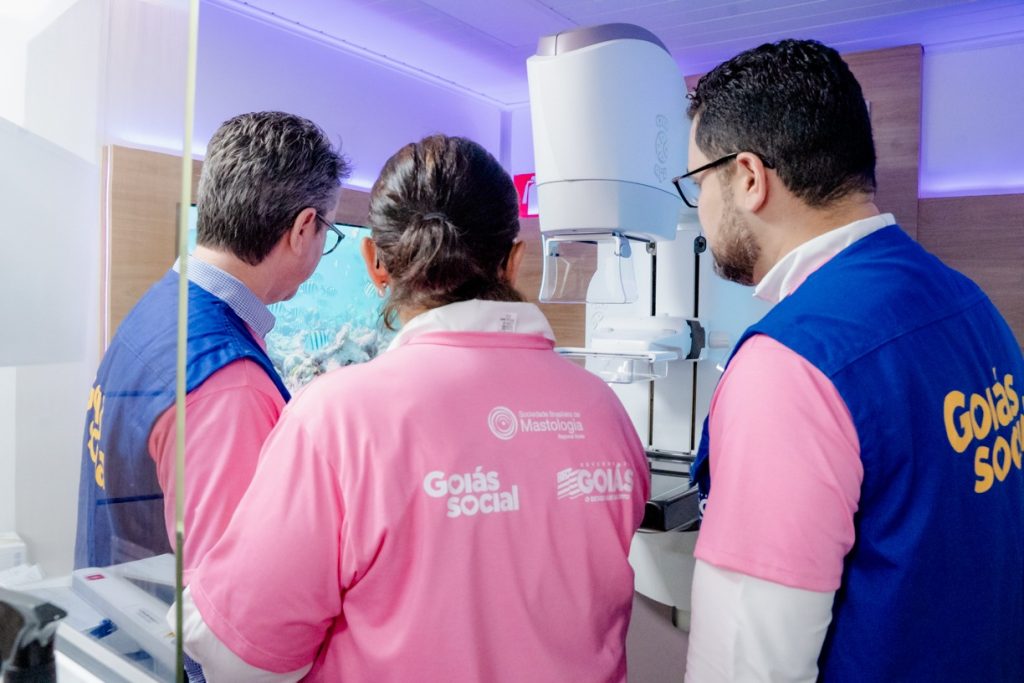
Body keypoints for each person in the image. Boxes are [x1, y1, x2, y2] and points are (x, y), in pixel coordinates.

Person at [178, 134, 650, 682]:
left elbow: (242, 657)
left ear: (375, 263)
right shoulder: (604, 409)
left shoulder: (337, 418)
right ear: (514, 260)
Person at [676, 39, 1024, 681]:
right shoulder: (972, 306)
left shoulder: (792, 364)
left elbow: (748, 666)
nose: (698, 209)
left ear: (748, 178)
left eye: (697, 182)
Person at [75, 111, 351, 579]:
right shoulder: (231, 384)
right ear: (304, 228)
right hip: (157, 619)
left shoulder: (160, 306)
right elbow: (232, 593)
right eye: (330, 232)